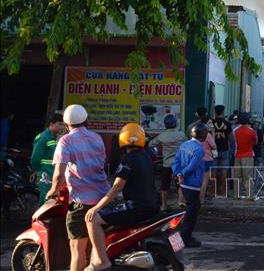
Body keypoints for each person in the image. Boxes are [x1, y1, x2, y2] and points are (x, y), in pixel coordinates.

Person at [84, 123, 160, 271]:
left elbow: (117, 186)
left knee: (93, 219)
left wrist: (97, 207)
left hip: (137, 207)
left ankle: (101, 261)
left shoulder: (128, 159)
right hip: (152, 205)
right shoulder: (146, 156)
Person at [46, 104, 109, 271]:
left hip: (82, 202)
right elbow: (101, 164)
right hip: (104, 198)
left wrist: (53, 190)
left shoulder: (65, 141)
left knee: (77, 248)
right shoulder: (97, 138)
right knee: (96, 245)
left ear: (66, 124)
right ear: (86, 120)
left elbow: (58, 174)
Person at [172, 122, 207, 248]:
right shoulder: (199, 150)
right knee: (192, 212)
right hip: (192, 183)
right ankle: (185, 238)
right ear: (203, 135)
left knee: (190, 209)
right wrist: (182, 174)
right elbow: (192, 167)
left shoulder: (184, 145)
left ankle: (185, 236)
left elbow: (175, 161)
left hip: (184, 183)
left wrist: (178, 173)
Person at [148, 114, 187, 211]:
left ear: (165, 125)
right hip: (179, 164)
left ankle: (163, 205)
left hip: (166, 165)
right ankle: (181, 201)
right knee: (180, 184)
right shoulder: (181, 135)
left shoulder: (162, 136)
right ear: (175, 124)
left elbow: (150, 144)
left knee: (165, 186)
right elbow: (187, 143)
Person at [30, 112, 64, 205]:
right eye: (59, 124)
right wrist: (36, 170)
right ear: (51, 124)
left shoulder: (54, 138)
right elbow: (35, 159)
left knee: (52, 202)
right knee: (46, 202)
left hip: (52, 174)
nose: (62, 127)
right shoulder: (43, 137)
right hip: (45, 175)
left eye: (63, 125)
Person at [232, 112, 258, 199]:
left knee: (237, 176)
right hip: (248, 154)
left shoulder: (235, 131)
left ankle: (237, 195)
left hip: (237, 155)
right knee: (248, 176)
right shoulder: (252, 131)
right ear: (248, 120)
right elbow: (255, 142)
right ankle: (250, 196)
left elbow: (233, 142)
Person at [212, 105, 232, 197]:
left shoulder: (211, 123)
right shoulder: (227, 124)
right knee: (224, 171)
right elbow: (231, 138)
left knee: (214, 171)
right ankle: (223, 192)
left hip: (213, 150)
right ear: (223, 113)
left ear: (215, 112)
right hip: (224, 149)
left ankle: (214, 192)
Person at [199, 122, 217, 203]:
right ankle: (201, 199)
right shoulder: (207, 135)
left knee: (198, 179)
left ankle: (199, 198)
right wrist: (213, 133)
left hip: (198, 159)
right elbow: (213, 145)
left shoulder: (195, 135)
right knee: (205, 180)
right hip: (207, 159)